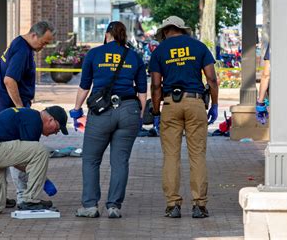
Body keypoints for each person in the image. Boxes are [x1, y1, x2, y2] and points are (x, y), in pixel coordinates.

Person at [69, 21, 147, 218]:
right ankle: (114, 207)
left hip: (102, 112)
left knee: (91, 159)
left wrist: (77, 110)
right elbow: (142, 93)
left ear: (107, 35)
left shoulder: (95, 54)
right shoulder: (134, 56)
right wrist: (139, 116)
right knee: (120, 161)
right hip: (129, 108)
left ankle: (90, 206)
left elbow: (84, 86)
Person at [149, 16, 219, 219]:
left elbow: (155, 86)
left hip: (171, 104)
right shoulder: (198, 47)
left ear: (165, 31)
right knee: (197, 155)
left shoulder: (160, 51)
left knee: (171, 157)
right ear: (182, 29)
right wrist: (214, 104)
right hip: (196, 102)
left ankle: (173, 205)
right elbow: (212, 79)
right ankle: (199, 205)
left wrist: (156, 112)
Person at [0, 21, 56, 206]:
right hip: (10, 112)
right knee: (22, 152)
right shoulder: (22, 50)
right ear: (34, 35)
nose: (44, 47)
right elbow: (9, 80)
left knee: (1, 155)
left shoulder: (19, 44)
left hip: (2, 109)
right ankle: (24, 197)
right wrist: (21, 108)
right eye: (44, 42)